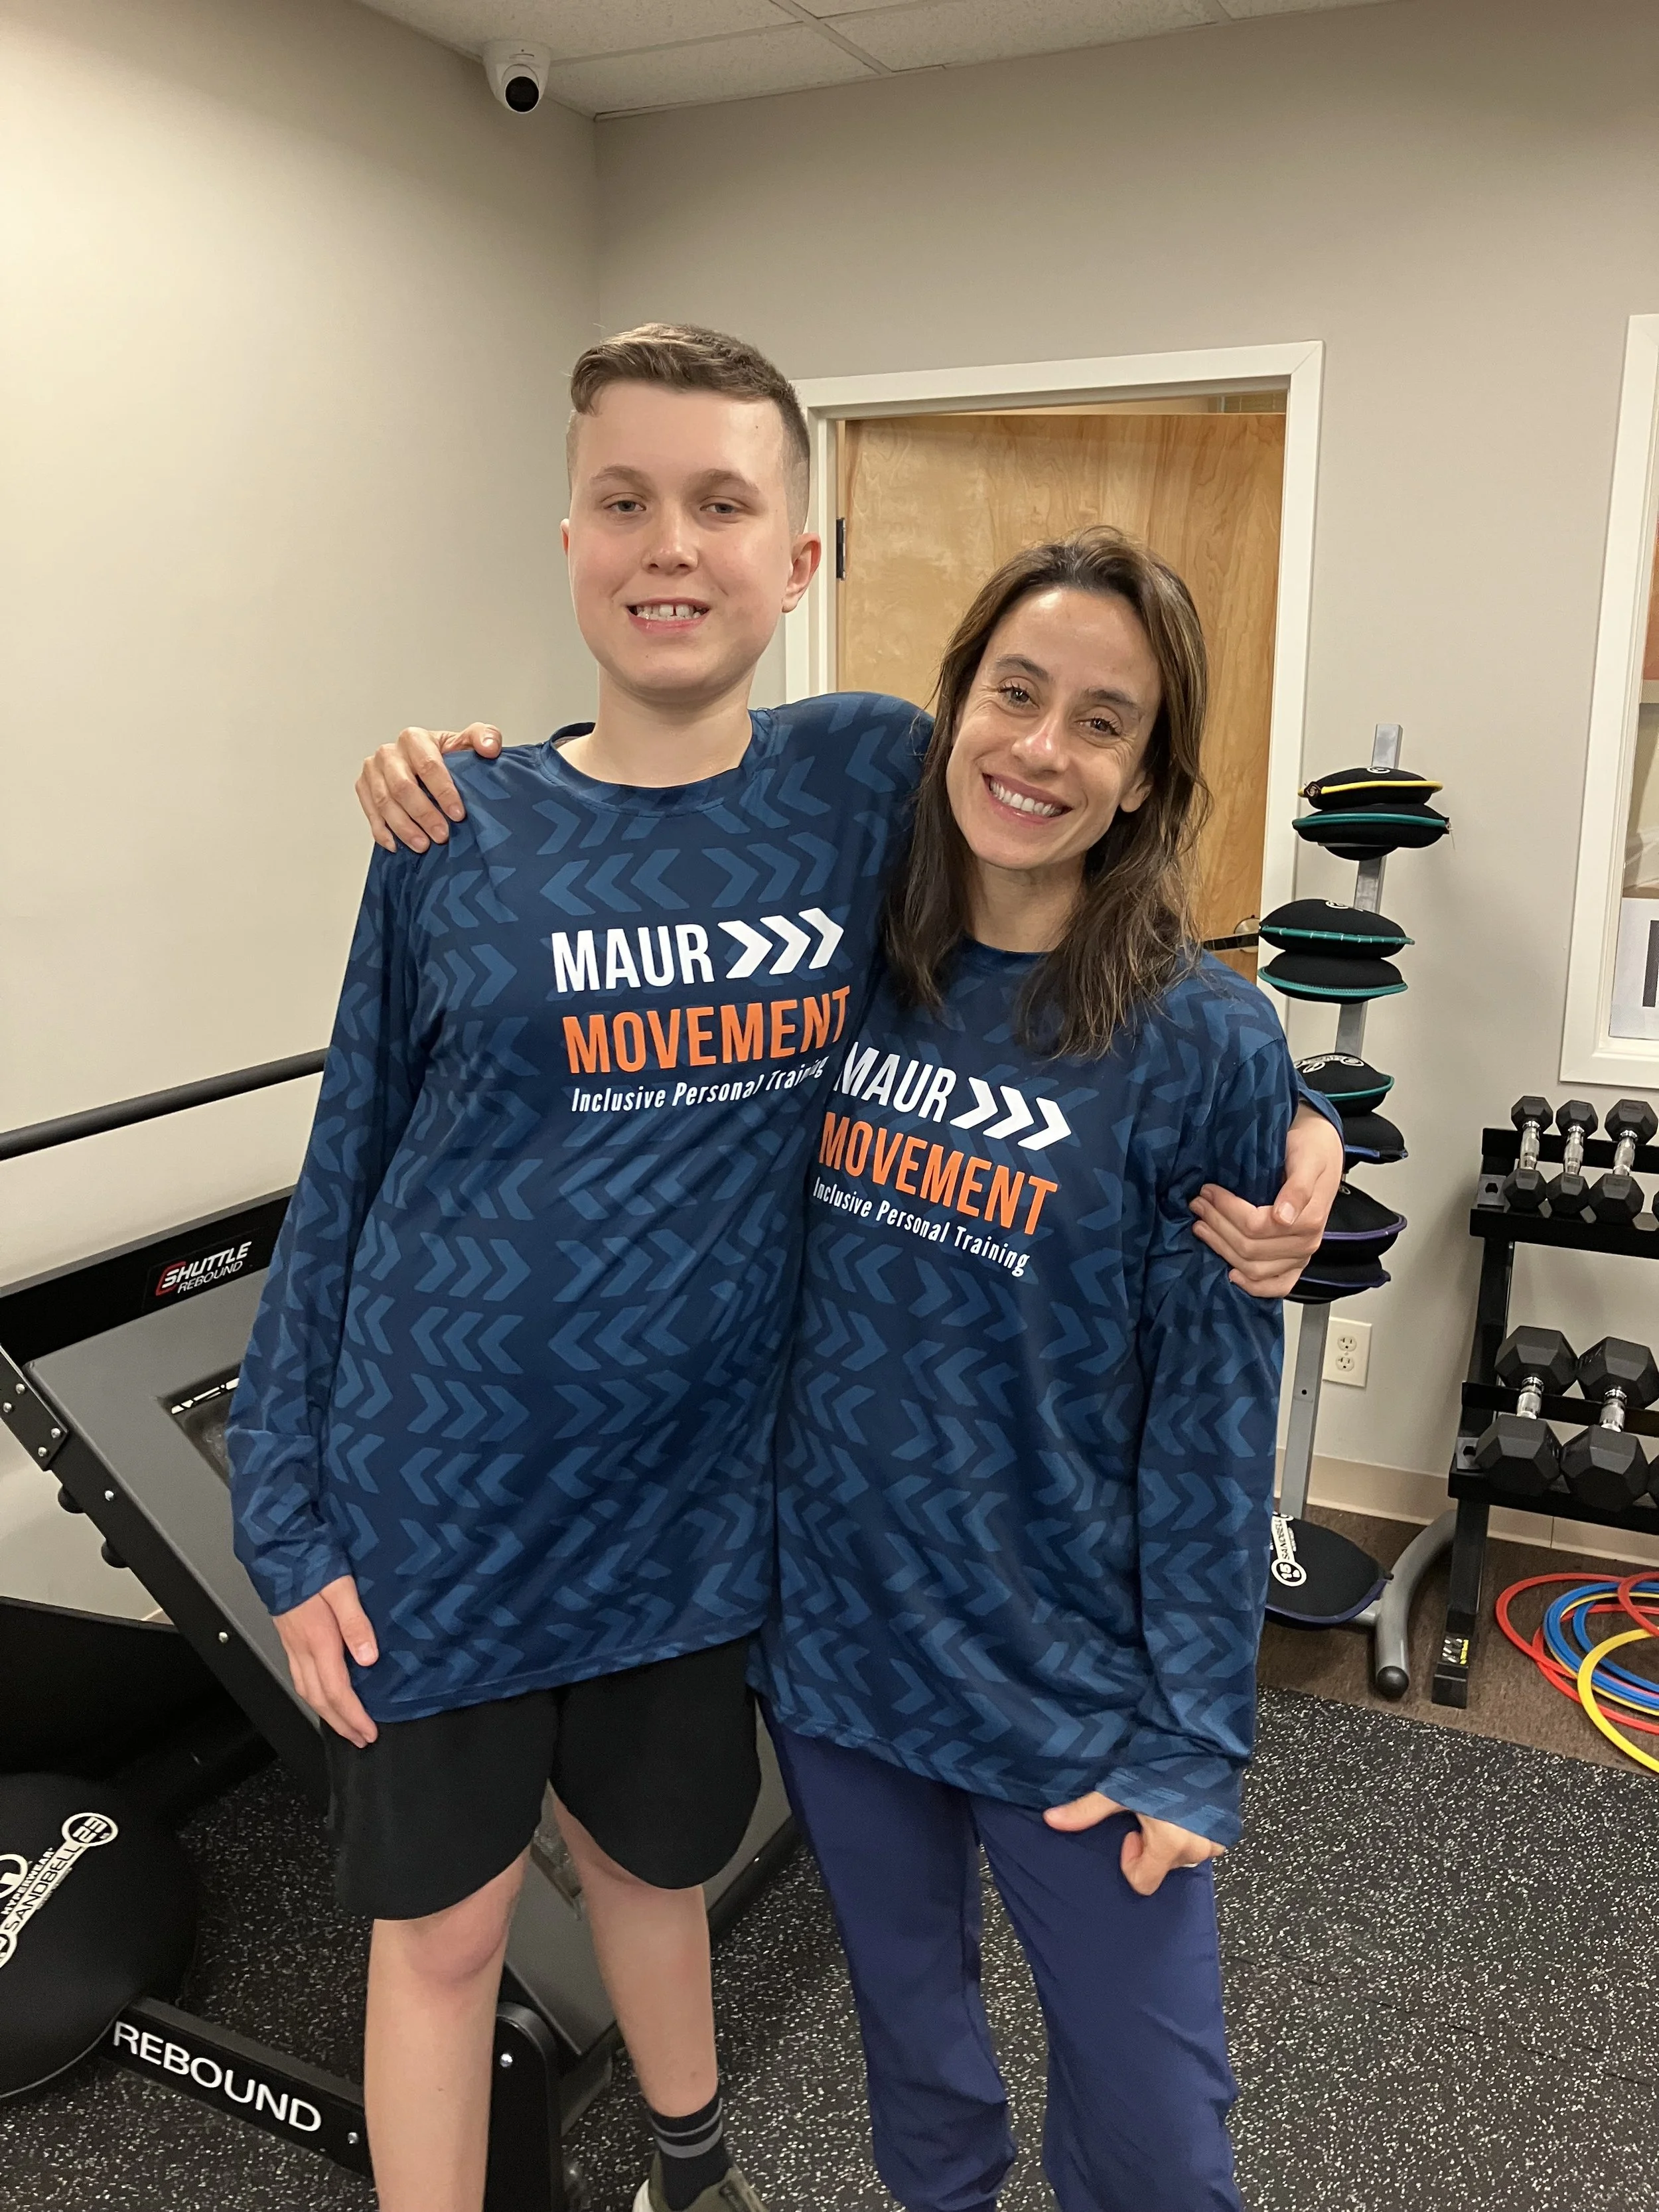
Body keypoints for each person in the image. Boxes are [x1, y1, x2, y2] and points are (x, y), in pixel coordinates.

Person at [250, 324, 1340, 2212]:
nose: (671, 544)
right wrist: (290, 1506)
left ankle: (694, 2161)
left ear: (799, 561)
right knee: (495, 1946)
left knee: (693, 1889)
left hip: (788, 1560)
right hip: (534, 1532)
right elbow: (339, 1168)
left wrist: (1294, 1135)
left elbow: (1102, 924)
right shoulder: (493, 830)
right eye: (626, 500)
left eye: (724, 502)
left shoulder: (877, 797)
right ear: (569, 530)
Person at [757, 527, 1297, 2212]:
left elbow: (1216, 1413)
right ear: (956, 708)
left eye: (1100, 722)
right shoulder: (836, 963)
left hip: (1069, 1677)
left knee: (1153, 2139)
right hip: (840, 1649)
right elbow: (649, 802)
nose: (1040, 750)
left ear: (1143, 779)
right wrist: (464, 768)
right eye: (1014, 693)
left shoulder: (1199, 1038)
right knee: (915, 2068)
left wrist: (1191, 1734)